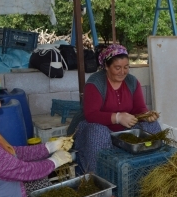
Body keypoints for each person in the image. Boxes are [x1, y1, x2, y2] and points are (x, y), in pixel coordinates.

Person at [68, 44, 161, 172]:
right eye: (117, 68)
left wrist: (147, 115)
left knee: (152, 126)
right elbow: (91, 114)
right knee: (99, 133)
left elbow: (139, 108)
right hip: (92, 128)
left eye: (126, 67)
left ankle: (149, 170)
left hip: (123, 130)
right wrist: (117, 117)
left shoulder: (132, 81)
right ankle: (99, 176)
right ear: (106, 66)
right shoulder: (95, 83)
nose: (122, 72)